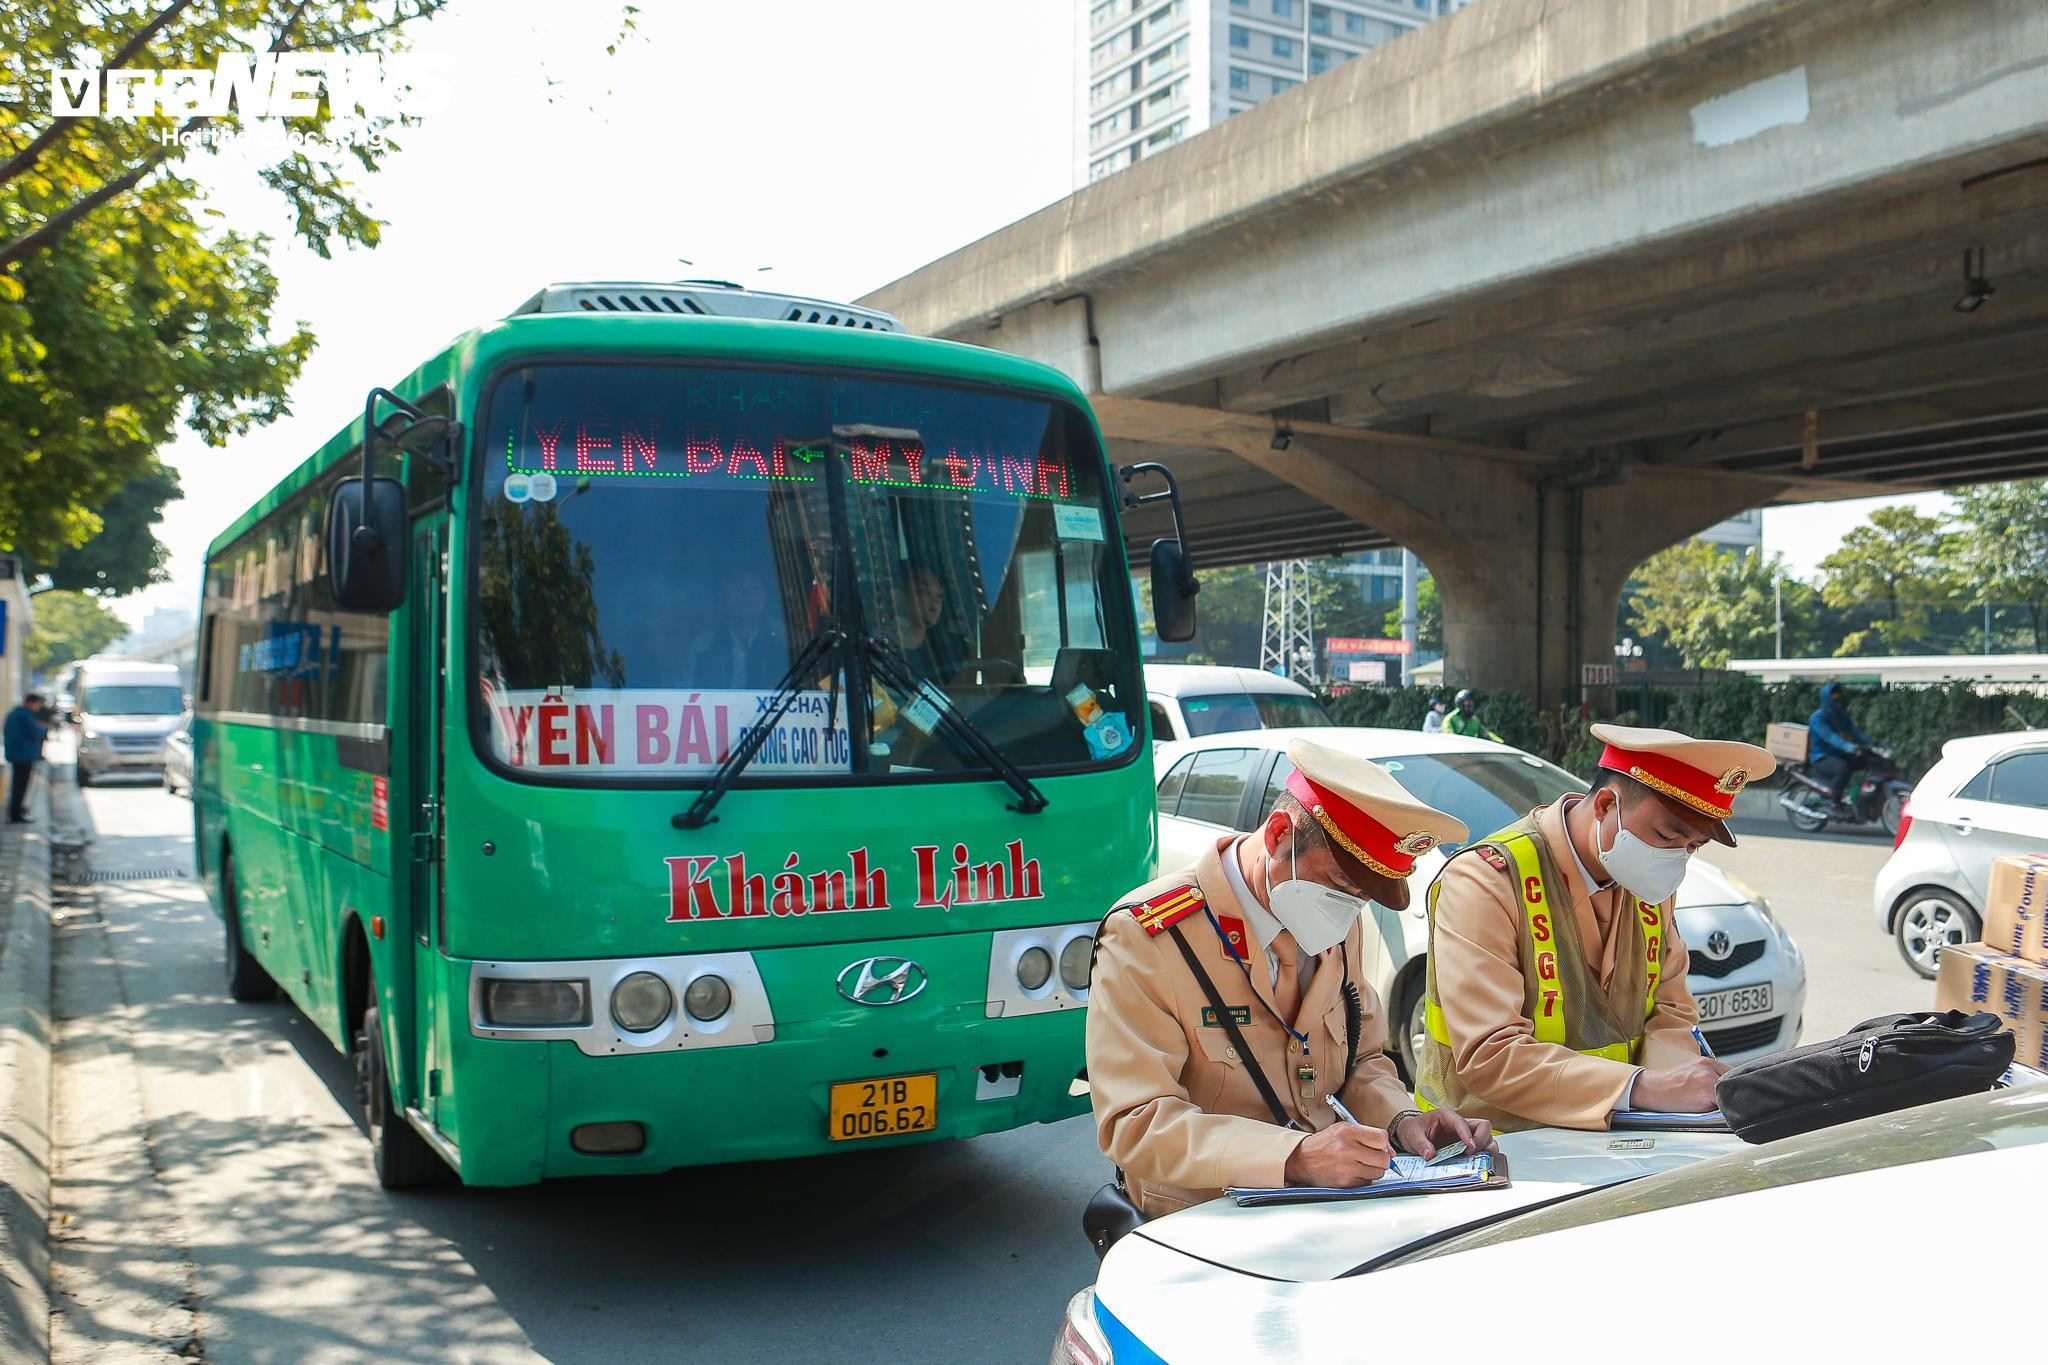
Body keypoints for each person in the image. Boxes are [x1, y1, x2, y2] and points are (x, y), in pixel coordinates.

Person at [1086, 738, 1495, 1216]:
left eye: (1359, 898)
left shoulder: (1336, 922)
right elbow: (1136, 1122)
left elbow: (1363, 1059)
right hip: (1203, 1219)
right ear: (1279, 833)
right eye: (1340, 885)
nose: (1347, 910)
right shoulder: (1151, 935)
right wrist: (1292, 1157)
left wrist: (1402, 1121)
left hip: (1330, 1208)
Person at [1415, 723, 1777, 1130]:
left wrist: (1672, 1088)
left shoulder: (1646, 879)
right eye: (1666, 835)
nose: (1677, 859)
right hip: (1497, 1150)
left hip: (1615, 1141)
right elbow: (1491, 1054)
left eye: (1693, 846)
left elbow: (1672, 1011)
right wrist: (1643, 1088)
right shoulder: (1488, 879)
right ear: (1605, 804)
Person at [685, 569, 789, 689]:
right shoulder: (702, 647)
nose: (746, 595)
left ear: (765, 597)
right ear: (725, 597)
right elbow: (686, 694)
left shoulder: (784, 643)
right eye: (738, 589)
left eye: (754, 588)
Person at [1807, 681, 1875, 802]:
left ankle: (1854, 795)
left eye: (1837, 694)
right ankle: (1835, 802)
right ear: (1826, 697)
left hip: (1838, 753)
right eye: (1832, 695)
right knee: (1843, 768)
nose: (1836, 697)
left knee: (1867, 761)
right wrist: (1851, 748)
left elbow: (1855, 732)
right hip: (1821, 757)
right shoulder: (1817, 718)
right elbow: (1830, 737)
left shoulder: (1840, 715)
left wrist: (1873, 743)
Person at [5, 692, 48, 824]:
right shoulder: (26, 716)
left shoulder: (14, 714)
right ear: (31, 703)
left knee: (17, 784)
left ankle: (16, 810)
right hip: (24, 755)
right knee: (21, 785)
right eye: (37, 704)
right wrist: (42, 728)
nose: (38, 707)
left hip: (15, 754)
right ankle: (16, 813)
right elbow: (34, 733)